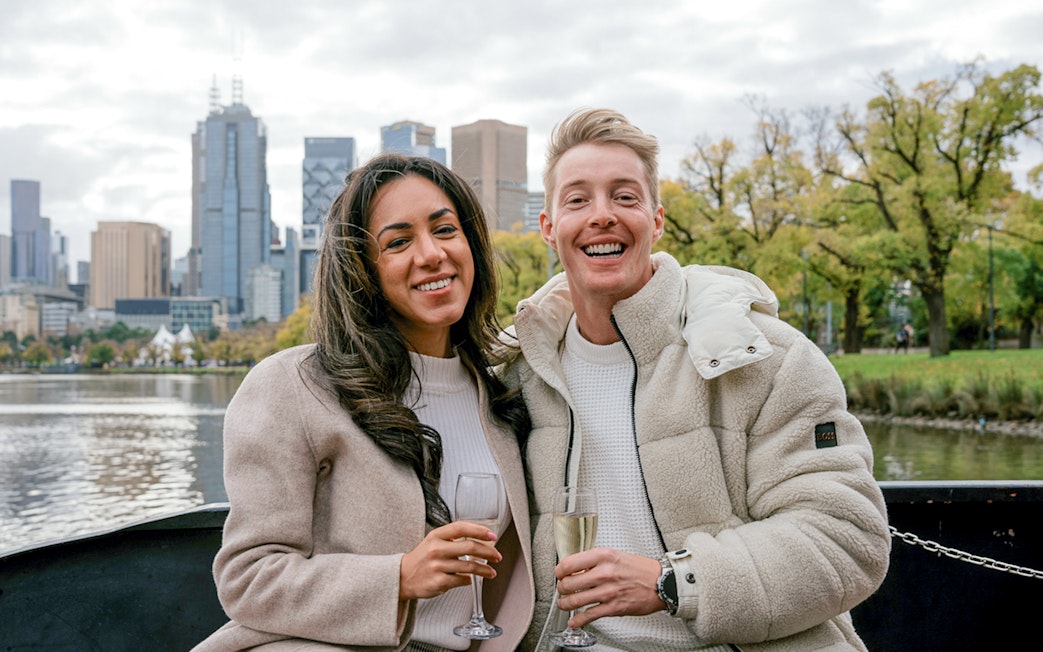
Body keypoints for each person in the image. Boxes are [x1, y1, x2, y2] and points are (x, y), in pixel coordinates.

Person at [506, 108, 891, 651]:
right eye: (577, 199)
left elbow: (847, 538)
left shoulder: (768, 356)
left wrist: (674, 582)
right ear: (548, 228)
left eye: (624, 196)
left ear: (657, 221)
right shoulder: (517, 372)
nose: (602, 215)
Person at [193, 154, 533, 651]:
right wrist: (397, 577)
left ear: (472, 245)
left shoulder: (501, 391)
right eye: (398, 242)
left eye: (444, 230)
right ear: (363, 271)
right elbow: (248, 579)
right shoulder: (293, 385)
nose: (432, 254)